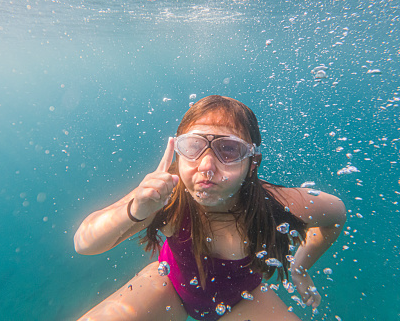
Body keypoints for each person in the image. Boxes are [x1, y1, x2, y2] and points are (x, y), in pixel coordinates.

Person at [74, 95, 346, 321]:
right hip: (169, 287)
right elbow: (84, 242)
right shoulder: (165, 194)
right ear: (178, 154)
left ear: (252, 163)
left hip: (245, 302)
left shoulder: (275, 204)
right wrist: (137, 209)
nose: (206, 166)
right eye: (193, 146)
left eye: (228, 149)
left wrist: (300, 266)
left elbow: (336, 214)